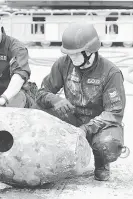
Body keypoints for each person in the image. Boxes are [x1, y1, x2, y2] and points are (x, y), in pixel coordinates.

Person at [35, 23, 127, 181]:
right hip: (72, 117)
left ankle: (101, 162)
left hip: (98, 125)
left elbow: (114, 113)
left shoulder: (111, 73)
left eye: (76, 54)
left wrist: (86, 128)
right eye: (69, 54)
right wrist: (55, 99)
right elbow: (41, 93)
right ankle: (58, 157)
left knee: (108, 145)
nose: (72, 57)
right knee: (38, 111)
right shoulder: (63, 64)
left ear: (90, 51)